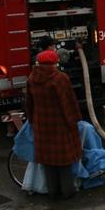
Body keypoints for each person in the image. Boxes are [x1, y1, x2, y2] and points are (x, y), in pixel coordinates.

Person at [26, 49, 82, 199]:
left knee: (48, 162)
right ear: (54, 62)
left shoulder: (32, 78)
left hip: (41, 126)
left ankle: (53, 192)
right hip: (59, 126)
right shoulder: (60, 78)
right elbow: (68, 103)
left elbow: (29, 104)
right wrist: (74, 122)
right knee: (64, 162)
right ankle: (68, 192)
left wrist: (31, 121)